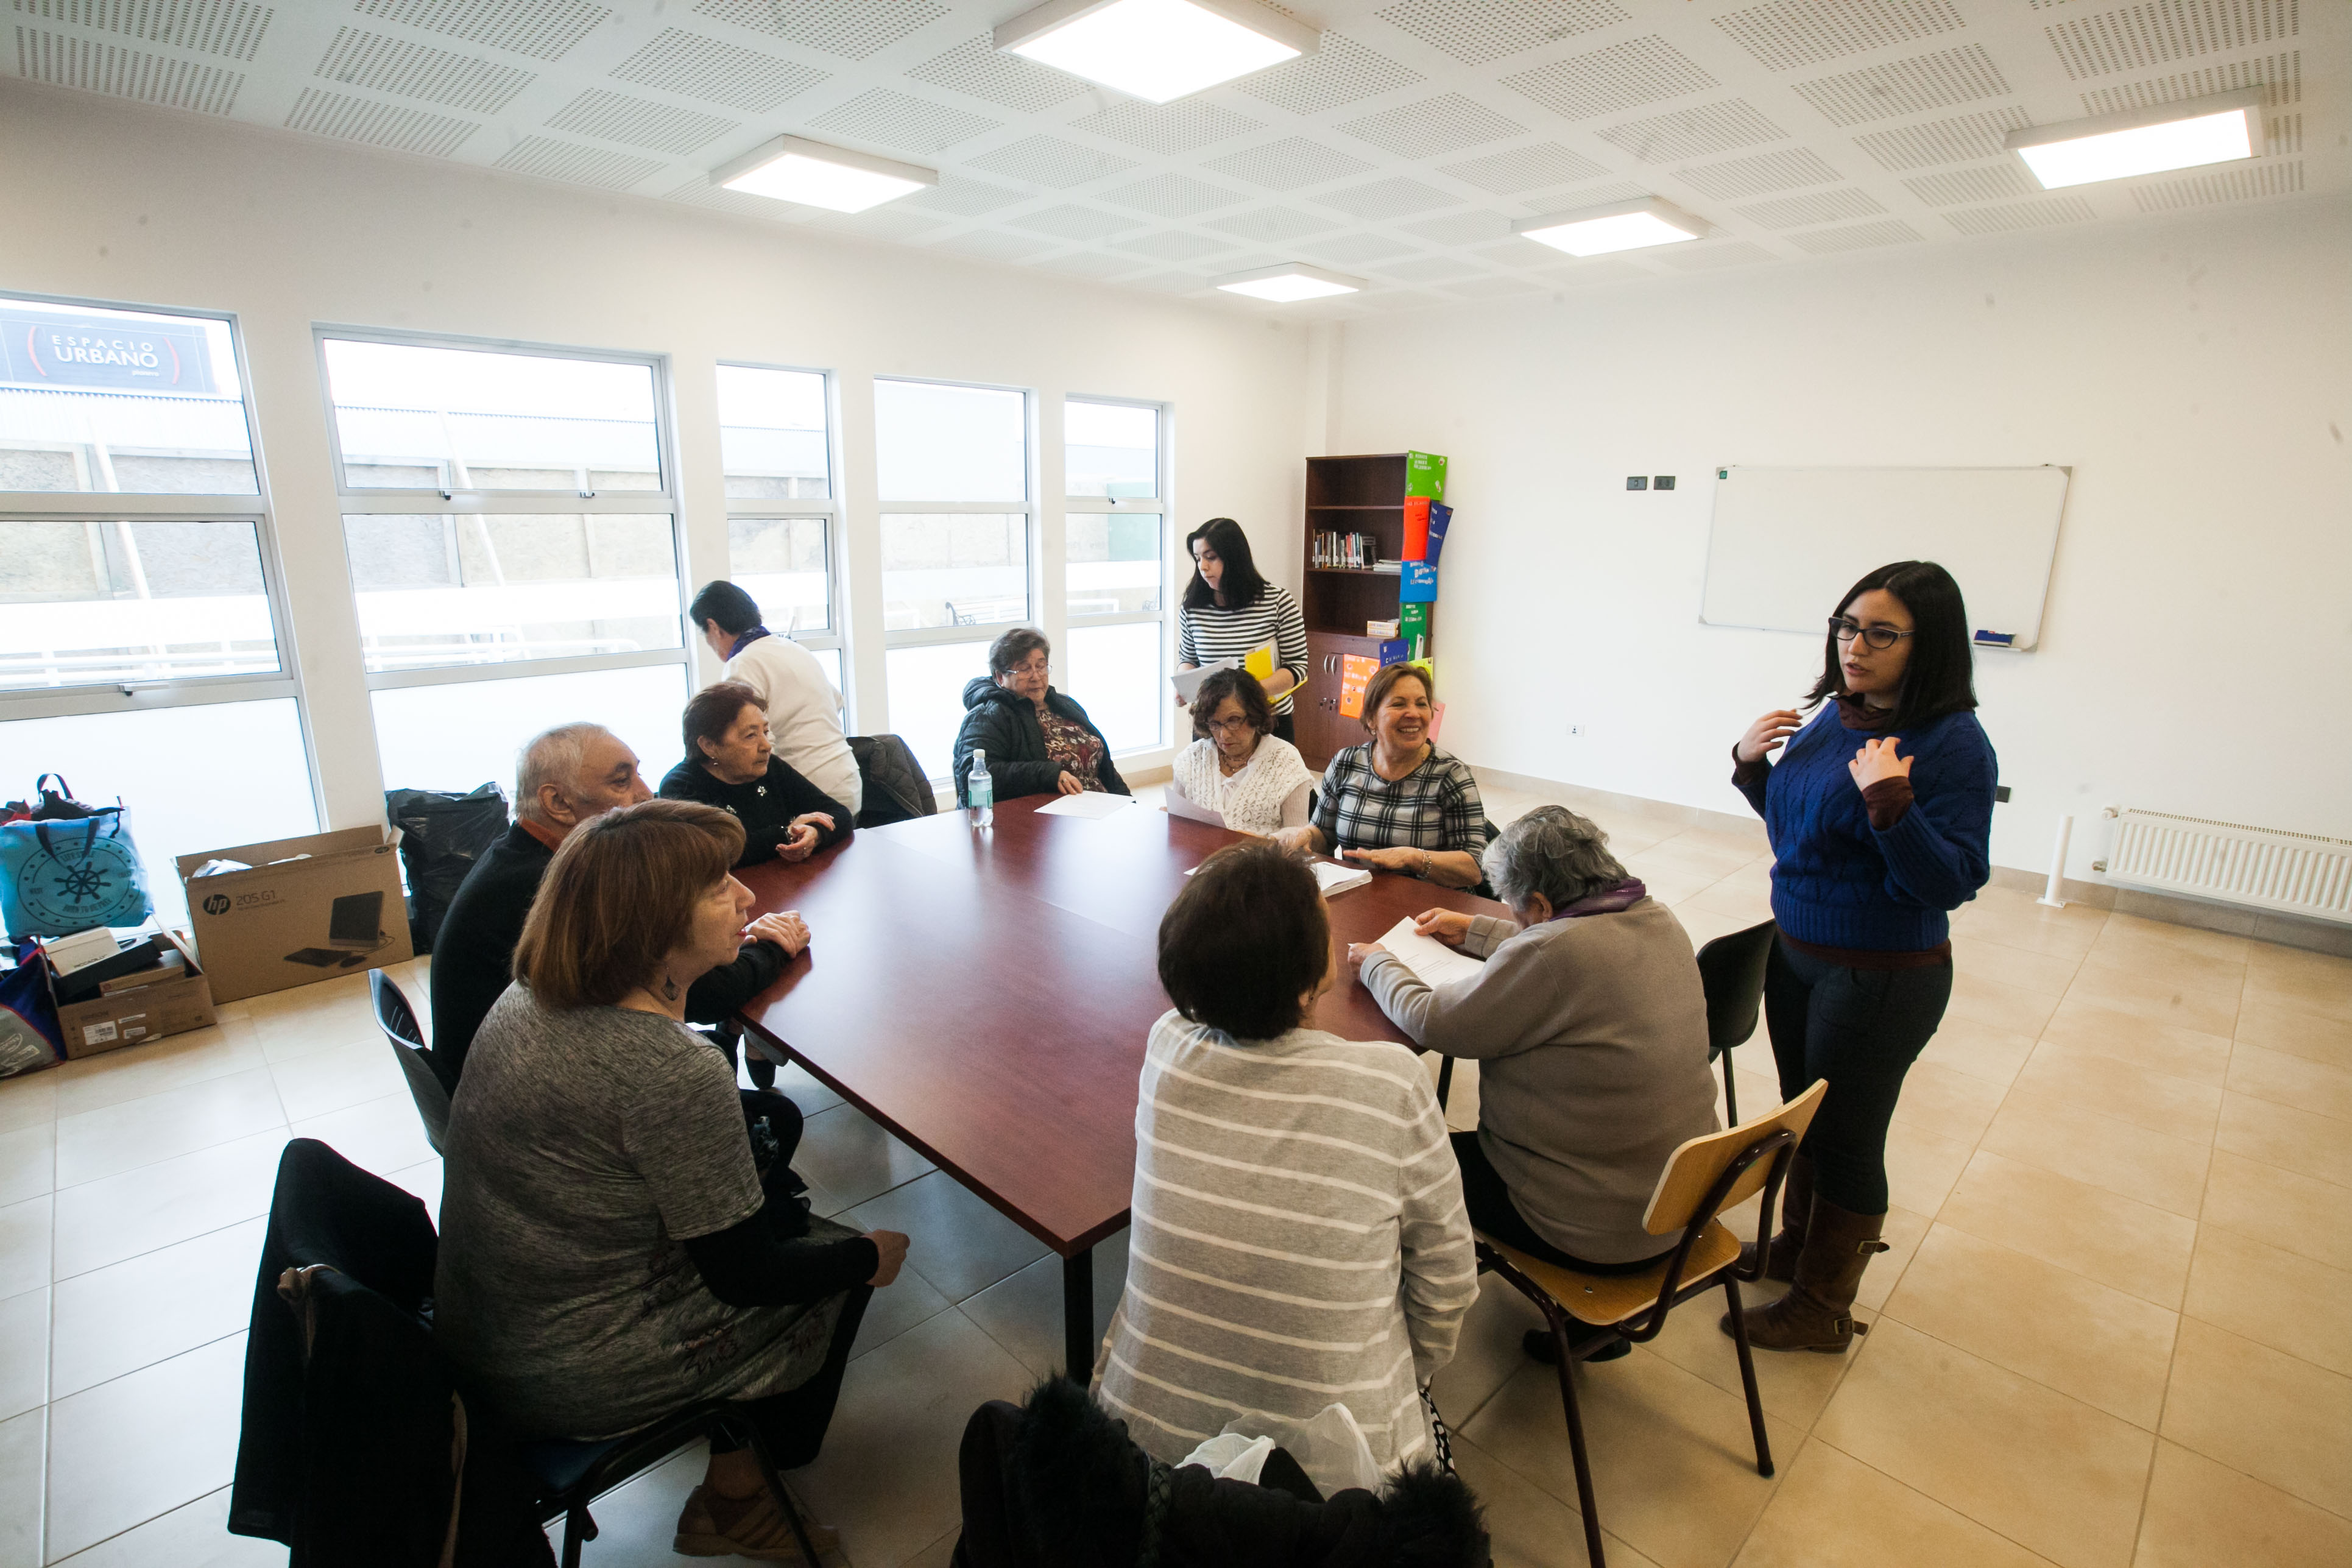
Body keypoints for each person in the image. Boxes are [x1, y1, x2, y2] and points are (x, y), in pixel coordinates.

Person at [435, 800, 911, 1561]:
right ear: (653, 924)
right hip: (564, 1370)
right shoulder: (664, 1067)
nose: (748, 898)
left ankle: (734, 1480)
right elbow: (746, 1276)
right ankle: (740, 1500)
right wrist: (868, 1260)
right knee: (836, 1262)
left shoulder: (528, 998)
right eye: (720, 887)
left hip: (491, 1328)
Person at [1093, 840, 1477, 1472]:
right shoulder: (1392, 1083)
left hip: (1143, 1455)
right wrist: (1404, 1374)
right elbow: (1448, 1287)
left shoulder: (1167, 1047)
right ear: (1309, 976)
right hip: (1334, 1480)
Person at [1722, 560, 1995, 1354]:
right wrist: (1751, 768)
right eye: (1847, 626)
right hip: (1799, 952)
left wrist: (1893, 807)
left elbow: (1950, 880)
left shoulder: (1952, 746)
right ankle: (1796, 1250)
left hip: (1880, 975)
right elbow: (1799, 833)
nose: (1855, 646)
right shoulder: (1835, 717)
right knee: (1805, 1117)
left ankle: (1822, 1304)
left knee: (1846, 1136)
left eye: (1881, 633)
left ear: (1927, 644)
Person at [1349, 806, 1719, 1366]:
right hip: (1680, 1201)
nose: (1513, 916)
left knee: (1394, 1160)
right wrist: (1477, 929)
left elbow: (1437, 1022)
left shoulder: (1552, 953)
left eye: (1513, 907)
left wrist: (1380, 963)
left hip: (1584, 1227)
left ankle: (1393, 1323)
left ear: (1542, 907)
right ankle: (1596, 1331)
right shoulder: (1657, 918)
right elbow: (1555, 943)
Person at [429, 722, 808, 1089]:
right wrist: (774, 948)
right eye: (621, 781)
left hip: (518, 1077)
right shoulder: (551, 886)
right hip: (527, 1100)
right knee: (782, 1117)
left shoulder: (522, 855)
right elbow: (702, 994)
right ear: (558, 802)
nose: (647, 794)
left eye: (639, 774)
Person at [1276, 663, 1484, 888]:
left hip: (1430, 907)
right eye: (1399, 704)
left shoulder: (1451, 774)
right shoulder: (1346, 763)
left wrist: (1415, 858)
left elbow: (1475, 868)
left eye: (1422, 704)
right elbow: (1323, 836)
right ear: (1371, 719)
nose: (1414, 714)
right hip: (1359, 896)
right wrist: (1305, 836)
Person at [690, 579, 863, 819]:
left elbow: (749, 740)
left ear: (714, 627)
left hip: (808, 787)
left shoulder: (742, 664)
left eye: (705, 635)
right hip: (847, 777)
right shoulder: (793, 649)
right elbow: (837, 701)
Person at [659, 683, 853, 866]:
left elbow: (840, 814)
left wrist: (814, 833)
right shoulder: (681, 786)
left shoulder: (769, 768)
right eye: (751, 736)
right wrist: (786, 834)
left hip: (785, 886)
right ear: (709, 745)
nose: (766, 746)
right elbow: (715, 853)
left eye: (765, 732)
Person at [952, 627, 1131, 808]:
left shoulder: (1066, 705)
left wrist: (1130, 806)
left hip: (1098, 810)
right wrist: (1048, 775)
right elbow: (975, 775)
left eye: (1041, 666)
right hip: (1042, 820)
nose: (1036, 676)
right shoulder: (988, 716)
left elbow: (1104, 767)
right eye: (1024, 669)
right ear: (1000, 677)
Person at [1174, 518, 1310, 743]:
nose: (1203, 567)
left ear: (1234, 558)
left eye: (1211, 557)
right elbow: (1188, 659)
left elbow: (1297, 668)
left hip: (1268, 720)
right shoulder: (1193, 608)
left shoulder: (1278, 602)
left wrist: (1244, 696)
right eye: (1198, 559)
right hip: (1212, 722)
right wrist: (1184, 683)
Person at [1164, 668, 1316, 836]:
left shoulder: (1287, 761)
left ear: (1254, 715)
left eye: (1234, 720)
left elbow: (1298, 846)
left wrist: (1262, 843)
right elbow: (1178, 833)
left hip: (1263, 862)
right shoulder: (1190, 760)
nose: (1224, 735)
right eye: (1214, 724)